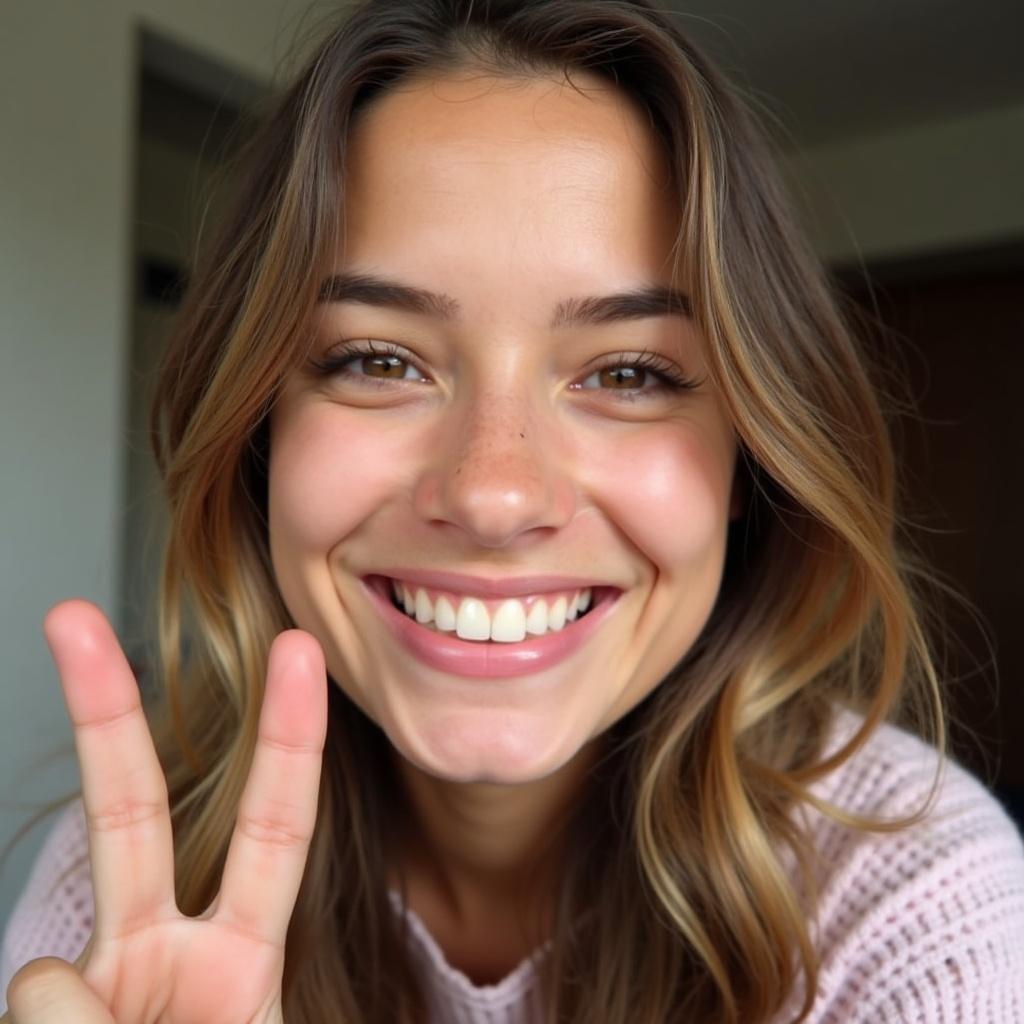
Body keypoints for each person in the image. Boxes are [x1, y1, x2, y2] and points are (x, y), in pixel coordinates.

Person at [2, 0, 1023, 1020]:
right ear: (260, 435)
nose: (494, 495)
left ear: (752, 458)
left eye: (627, 372)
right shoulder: (137, 881)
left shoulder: (917, 904)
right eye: (377, 359)